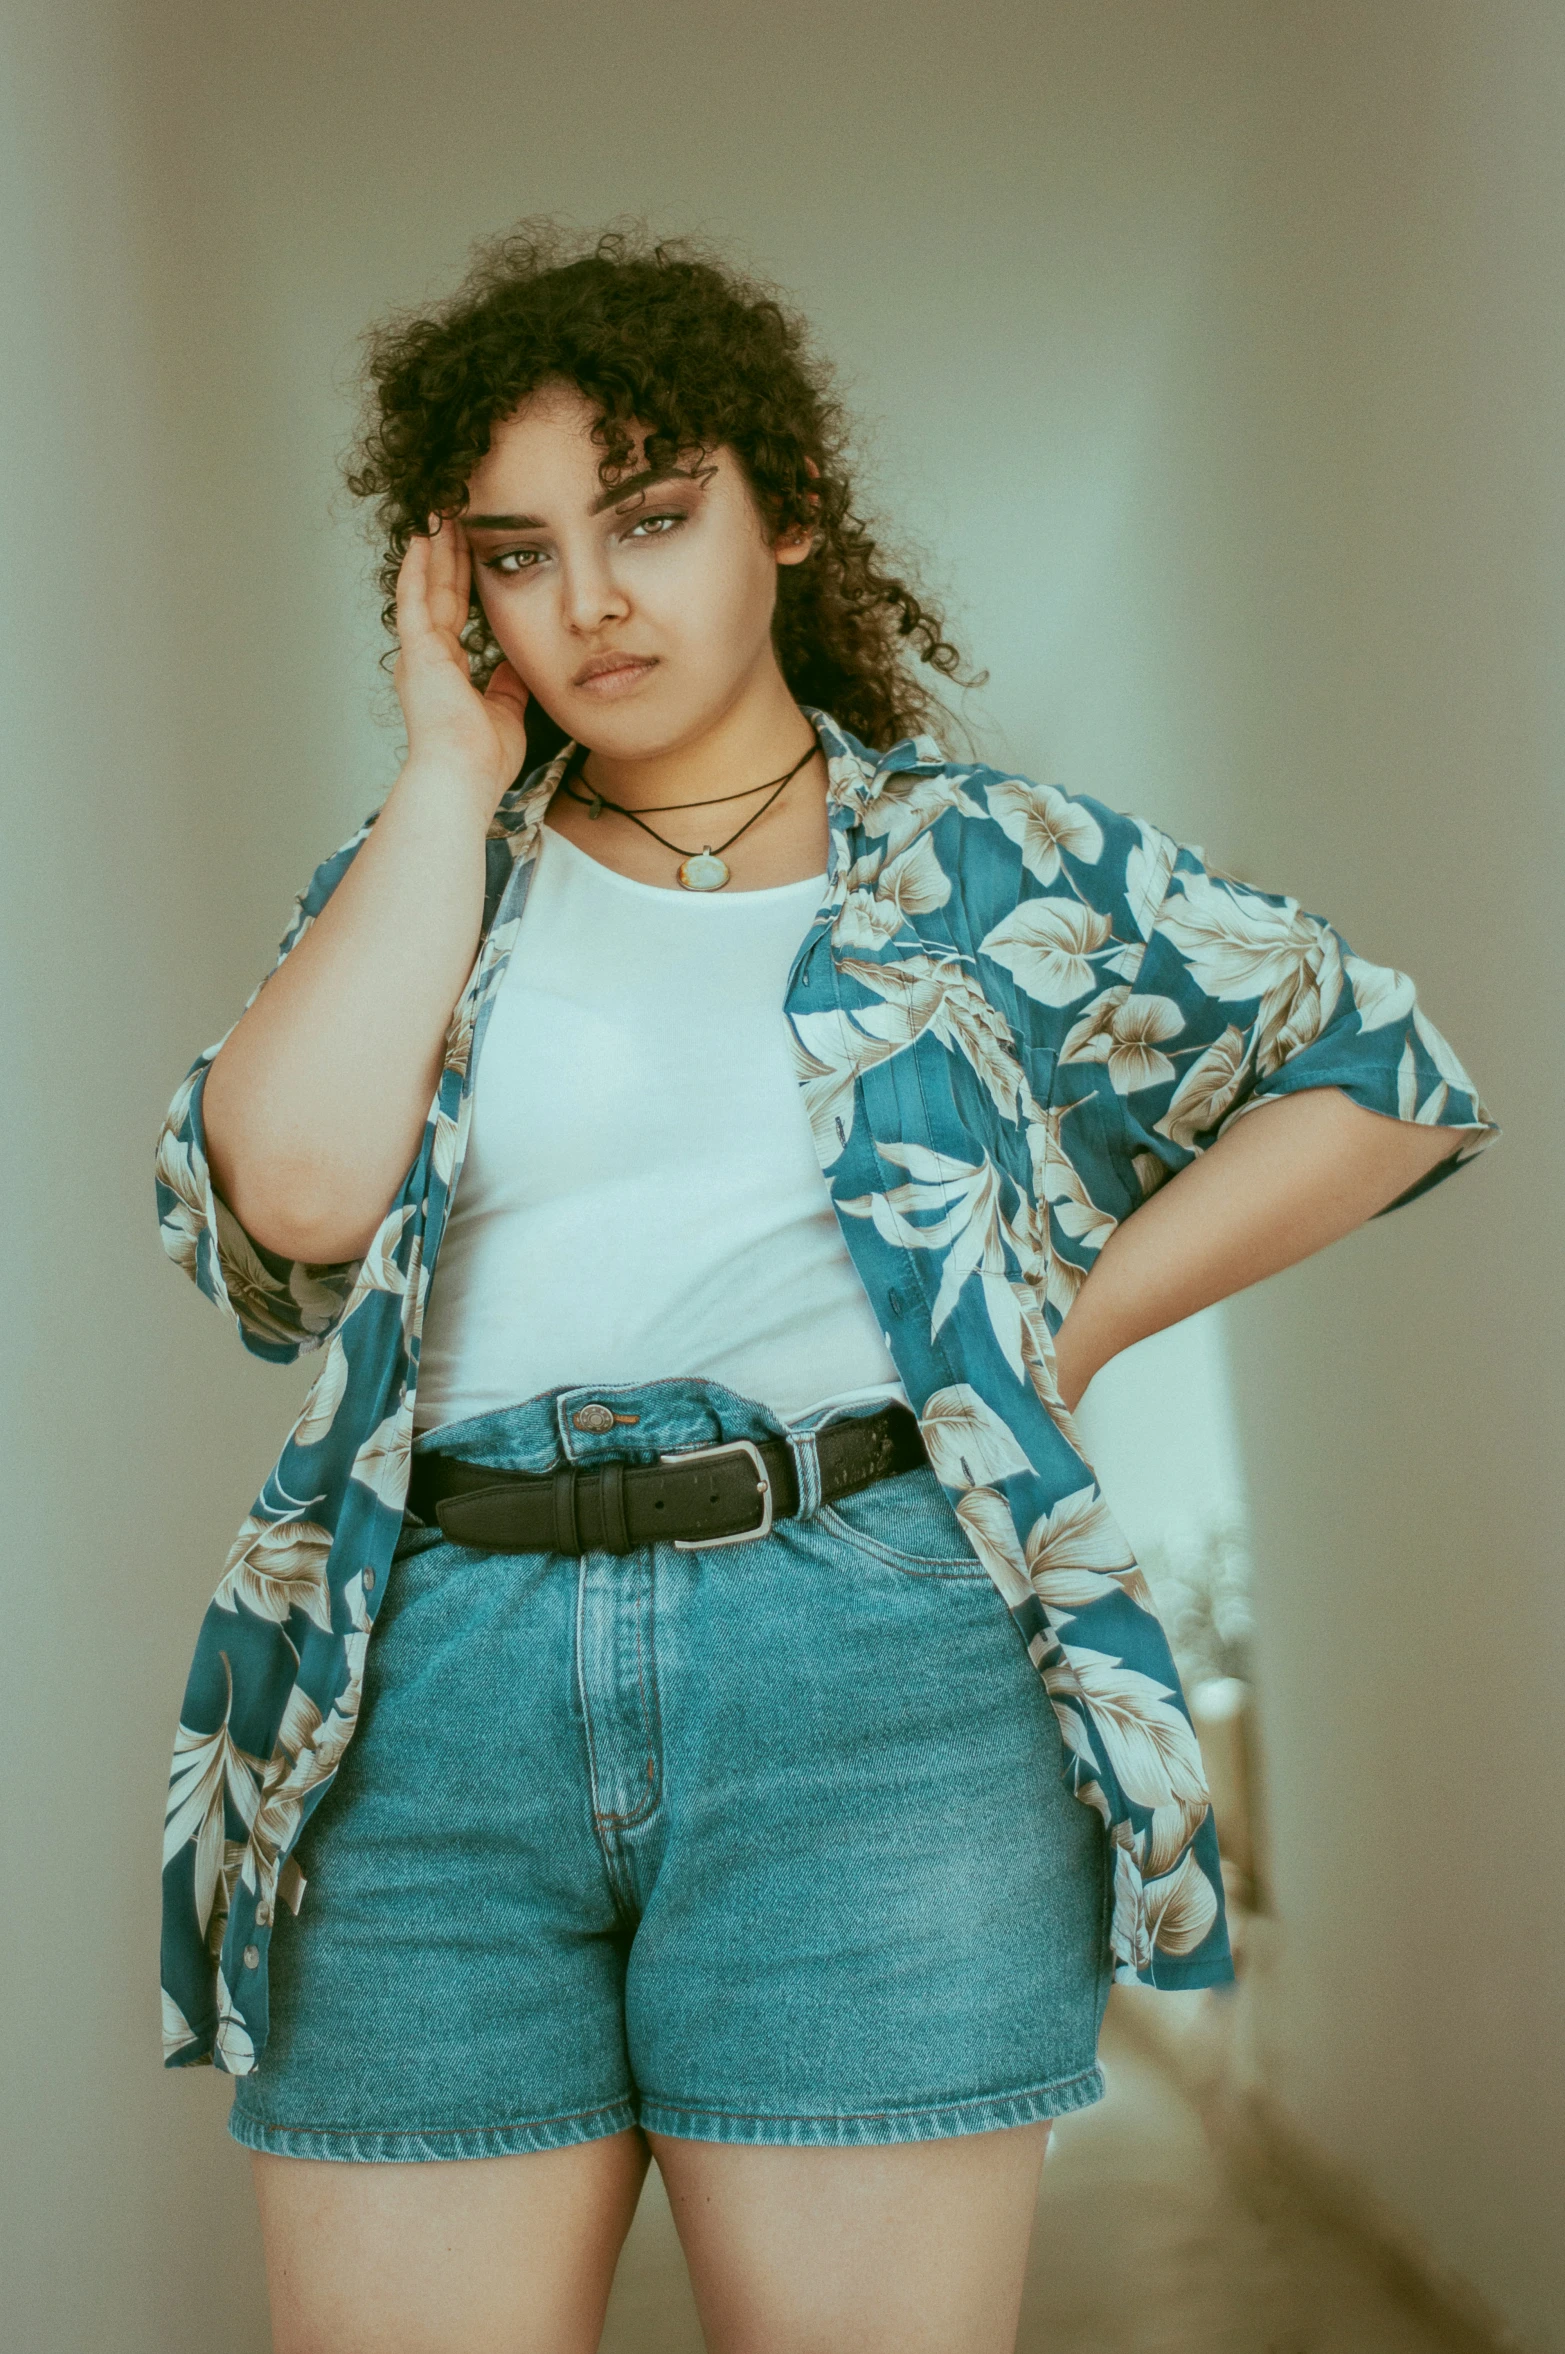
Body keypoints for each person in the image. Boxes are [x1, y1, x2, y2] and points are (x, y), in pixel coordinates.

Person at [154, 223, 1500, 2354]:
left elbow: (1382, 1074)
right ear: (456, 593)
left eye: (652, 519)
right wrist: (440, 771)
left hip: (867, 1666)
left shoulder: (987, 869)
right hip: (431, 1690)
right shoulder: (427, 881)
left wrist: (1058, 1324)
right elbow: (294, 1196)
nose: (588, 598)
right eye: (516, 552)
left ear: (784, 517)